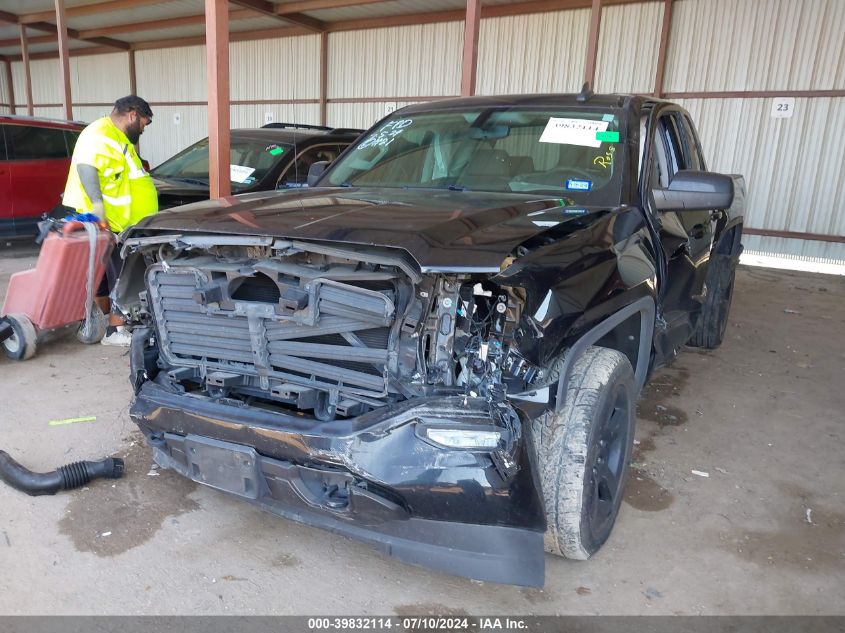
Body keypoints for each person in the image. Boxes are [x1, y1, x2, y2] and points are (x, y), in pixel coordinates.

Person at [63, 95, 159, 346]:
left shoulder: (117, 137)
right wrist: (98, 211)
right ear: (132, 114)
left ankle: (99, 319)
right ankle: (116, 331)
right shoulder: (98, 134)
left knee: (105, 275)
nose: (144, 129)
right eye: (144, 123)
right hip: (112, 223)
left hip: (123, 223)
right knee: (123, 275)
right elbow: (86, 168)